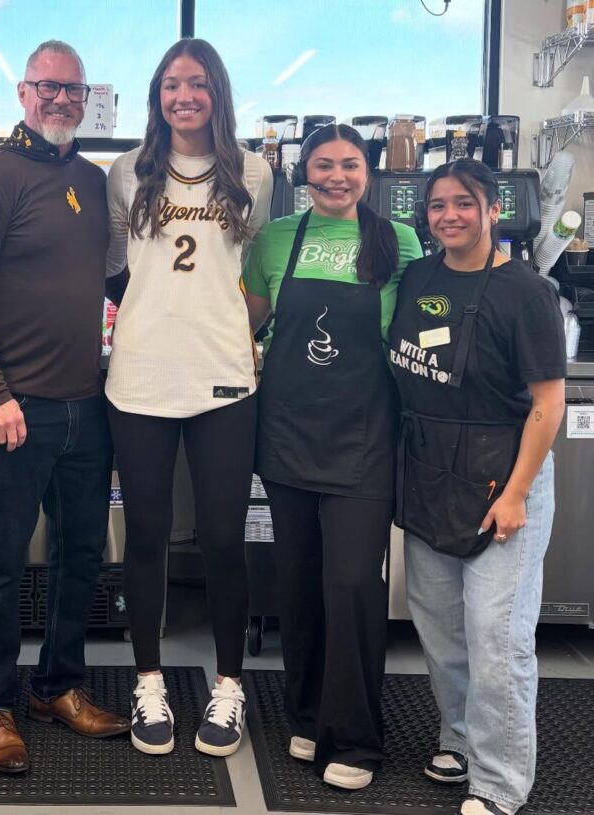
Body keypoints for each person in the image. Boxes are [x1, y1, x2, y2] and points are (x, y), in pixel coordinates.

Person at [0, 39, 129, 774]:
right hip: (13, 410)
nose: (61, 99)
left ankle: (57, 686)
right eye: (48, 86)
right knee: (2, 559)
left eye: (73, 89)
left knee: (82, 553)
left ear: (88, 99)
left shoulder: (90, 182)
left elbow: (113, 282)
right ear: (23, 92)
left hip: (87, 403)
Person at [104, 38, 271, 757]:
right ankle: (148, 681)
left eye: (197, 84)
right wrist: (157, 315)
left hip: (224, 378)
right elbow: (118, 269)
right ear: (157, 95)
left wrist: (222, 323)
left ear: (217, 92)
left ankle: (229, 685)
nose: (184, 96)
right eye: (171, 84)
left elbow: (248, 269)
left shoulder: (253, 171)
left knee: (224, 538)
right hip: (140, 377)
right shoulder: (126, 172)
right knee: (146, 536)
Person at [243, 123, 422, 789]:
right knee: (297, 580)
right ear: (304, 172)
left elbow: (417, 330)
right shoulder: (275, 238)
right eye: (323, 164)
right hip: (287, 432)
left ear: (368, 172)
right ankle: (309, 712)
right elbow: (244, 323)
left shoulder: (396, 240)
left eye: (350, 164)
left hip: (364, 436)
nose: (336, 176)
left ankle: (356, 738)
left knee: (351, 583)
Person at [390, 159, 565, 815]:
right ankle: (459, 740)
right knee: (442, 629)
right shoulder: (418, 276)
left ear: (493, 210)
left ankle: (499, 780)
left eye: (464, 203)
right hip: (431, 473)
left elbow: (548, 401)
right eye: (438, 205)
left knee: (497, 637)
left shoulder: (527, 292)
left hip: (503, 477)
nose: (450, 216)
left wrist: (516, 493)